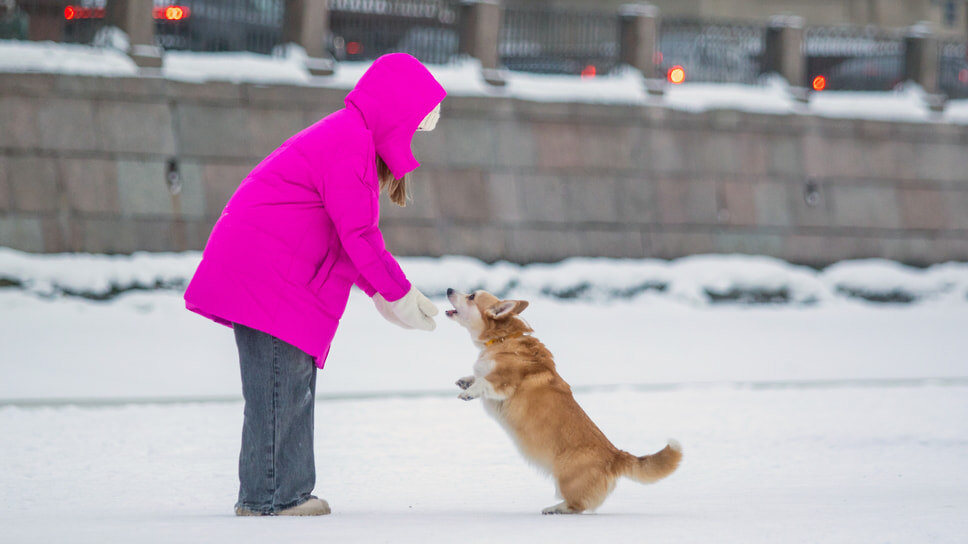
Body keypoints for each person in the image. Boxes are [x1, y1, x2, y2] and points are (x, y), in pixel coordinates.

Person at [183, 53, 445, 516]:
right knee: (279, 390)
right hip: (268, 279)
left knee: (292, 387)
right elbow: (359, 235)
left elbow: (348, 240)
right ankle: (270, 497)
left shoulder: (352, 140)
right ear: (394, 114)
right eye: (413, 129)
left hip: (282, 281)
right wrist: (397, 292)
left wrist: (381, 293)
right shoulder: (348, 144)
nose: (412, 142)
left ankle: (290, 493)